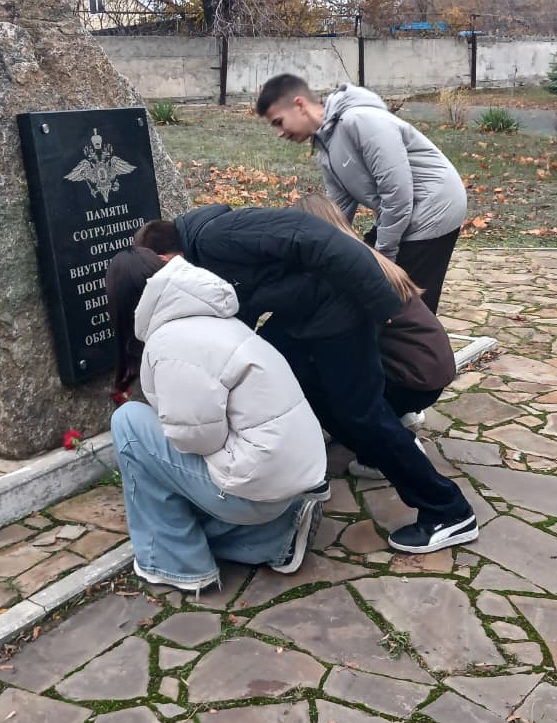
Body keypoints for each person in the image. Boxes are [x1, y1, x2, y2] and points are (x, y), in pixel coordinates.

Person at [134, 206, 478, 554]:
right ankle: (310, 476)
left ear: (167, 259)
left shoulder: (218, 235)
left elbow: (318, 237)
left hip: (339, 312)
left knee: (360, 414)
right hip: (302, 316)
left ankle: (447, 509)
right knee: (284, 381)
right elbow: (242, 300)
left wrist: (382, 305)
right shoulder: (203, 249)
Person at [106, 246, 327, 594]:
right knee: (160, 446)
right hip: (292, 473)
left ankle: (177, 564)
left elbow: (196, 440)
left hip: (257, 488)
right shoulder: (209, 315)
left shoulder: (169, 342)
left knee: (129, 423)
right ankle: (277, 535)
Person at [256, 74, 469, 314]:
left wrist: (385, 258)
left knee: (407, 300)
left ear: (299, 105)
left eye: (278, 122)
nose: (279, 133)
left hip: (435, 205)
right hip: (406, 208)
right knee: (369, 276)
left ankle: (419, 348)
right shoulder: (326, 149)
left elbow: (397, 193)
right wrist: (314, 256)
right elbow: (338, 213)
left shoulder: (362, 121)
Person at [294, 193, 457, 479]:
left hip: (411, 381)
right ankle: (399, 417)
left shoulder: (341, 274)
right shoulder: (368, 256)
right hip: (433, 371)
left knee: (319, 375)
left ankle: (385, 450)